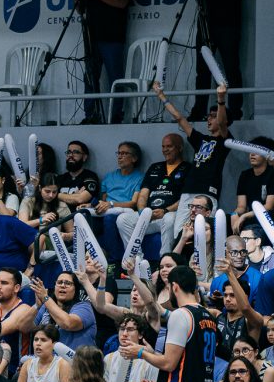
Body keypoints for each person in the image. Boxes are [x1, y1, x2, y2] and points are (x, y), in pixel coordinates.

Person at [119, 265, 215, 382]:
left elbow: (169, 364)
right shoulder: (207, 316)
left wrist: (140, 352)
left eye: (169, 288)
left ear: (174, 287)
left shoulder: (180, 315)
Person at [171, 0, 249, 118]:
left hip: (229, 24)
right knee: (202, 70)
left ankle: (235, 111)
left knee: (231, 68)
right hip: (206, 23)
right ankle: (199, 110)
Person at [155, 80, 230, 239]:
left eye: (213, 116)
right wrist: (161, 95)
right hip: (189, 190)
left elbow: (223, 123)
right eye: (208, 116)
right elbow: (179, 118)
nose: (209, 119)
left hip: (207, 191)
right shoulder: (201, 139)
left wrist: (221, 99)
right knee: (179, 232)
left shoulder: (225, 140)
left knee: (205, 232)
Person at [75, 0, 132, 124]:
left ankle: (115, 116)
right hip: (92, 37)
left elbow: (122, 2)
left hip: (113, 36)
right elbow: (80, 10)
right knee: (90, 78)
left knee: (115, 79)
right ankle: (91, 115)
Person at [115, 133, 186, 255]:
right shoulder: (155, 167)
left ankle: (165, 259)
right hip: (149, 215)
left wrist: (165, 210)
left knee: (170, 219)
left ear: (180, 148)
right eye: (163, 146)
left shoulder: (188, 168)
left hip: (168, 215)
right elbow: (143, 194)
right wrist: (143, 212)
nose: (165, 150)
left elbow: (186, 199)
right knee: (123, 220)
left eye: (169, 146)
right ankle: (135, 258)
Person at [104, 314, 158, 382]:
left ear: (140, 335)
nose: (124, 334)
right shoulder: (109, 358)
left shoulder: (150, 360)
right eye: (122, 329)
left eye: (130, 330)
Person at [31, 271, 96, 350]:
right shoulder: (46, 306)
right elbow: (26, 327)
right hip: (49, 356)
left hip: (77, 357)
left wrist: (45, 297)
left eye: (68, 283)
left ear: (76, 289)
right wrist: (37, 306)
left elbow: (68, 323)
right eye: (59, 282)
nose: (62, 285)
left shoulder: (84, 307)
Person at [231, 137, 274, 235]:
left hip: (268, 217)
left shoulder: (272, 174)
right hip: (251, 216)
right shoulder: (245, 175)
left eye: (257, 151)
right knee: (229, 218)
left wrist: (244, 216)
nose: (252, 154)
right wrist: (235, 214)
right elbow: (241, 206)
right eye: (251, 151)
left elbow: (269, 206)